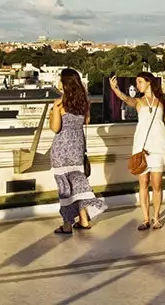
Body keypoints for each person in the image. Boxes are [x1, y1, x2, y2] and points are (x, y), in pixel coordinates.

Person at [110, 72, 165, 230]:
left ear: (149, 82)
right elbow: (125, 99)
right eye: (137, 82)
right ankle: (145, 219)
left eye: (140, 82)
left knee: (157, 185)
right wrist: (115, 89)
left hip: (158, 147)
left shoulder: (162, 102)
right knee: (143, 183)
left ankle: (156, 217)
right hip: (142, 148)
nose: (137, 85)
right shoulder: (138, 101)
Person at [50, 68, 107, 235]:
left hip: (61, 148)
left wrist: (54, 109)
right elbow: (87, 121)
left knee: (65, 187)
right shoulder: (84, 103)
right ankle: (83, 219)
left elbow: (55, 128)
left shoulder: (59, 103)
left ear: (65, 84)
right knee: (77, 184)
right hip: (77, 147)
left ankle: (67, 224)